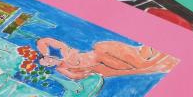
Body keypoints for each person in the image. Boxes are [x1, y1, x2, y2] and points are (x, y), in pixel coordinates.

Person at [35, 37, 177, 80]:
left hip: (103, 51)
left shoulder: (65, 51)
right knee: (135, 66)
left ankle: (167, 54)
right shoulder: (62, 68)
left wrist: (44, 52)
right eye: (47, 64)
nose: (49, 62)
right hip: (103, 62)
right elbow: (74, 76)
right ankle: (164, 55)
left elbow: (43, 40)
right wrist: (84, 73)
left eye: (47, 59)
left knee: (141, 63)